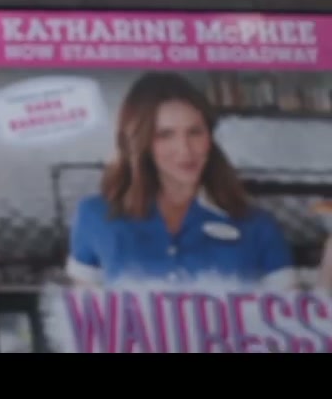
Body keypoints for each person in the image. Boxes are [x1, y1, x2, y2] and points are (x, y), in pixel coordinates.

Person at [67, 71, 297, 290]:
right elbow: (86, 312)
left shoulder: (259, 226)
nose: (185, 150)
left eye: (195, 132)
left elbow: (290, 312)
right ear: (139, 142)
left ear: (209, 136)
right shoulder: (94, 216)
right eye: (165, 135)